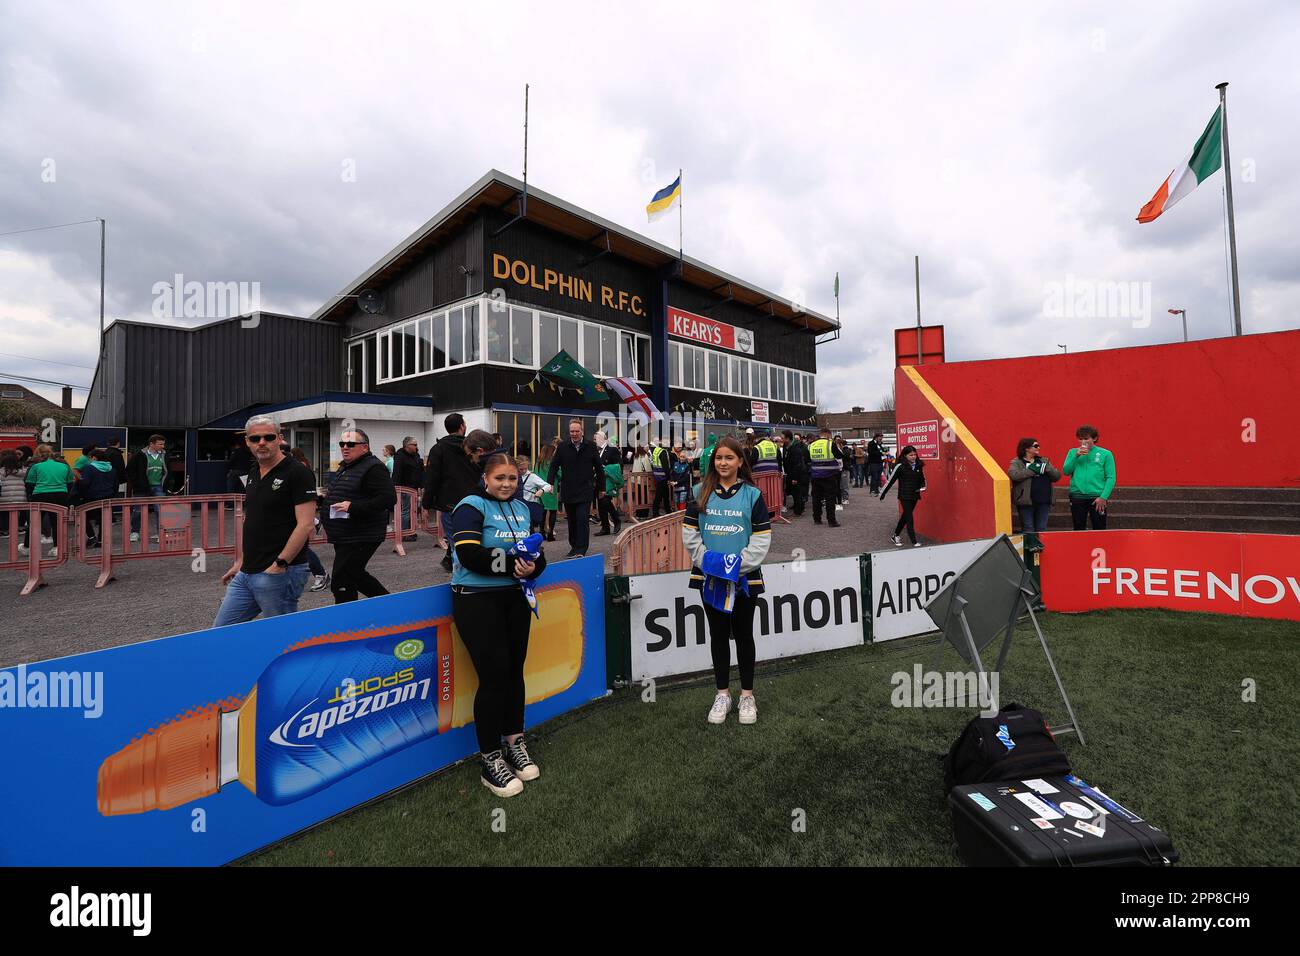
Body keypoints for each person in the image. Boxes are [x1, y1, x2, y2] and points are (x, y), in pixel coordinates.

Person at [448, 452, 548, 797]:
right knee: (492, 677)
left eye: (512, 478)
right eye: (499, 478)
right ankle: (490, 759)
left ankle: (514, 742)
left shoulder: (523, 509)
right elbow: (469, 554)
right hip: (476, 599)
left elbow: (539, 554)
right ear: (485, 478)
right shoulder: (470, 506)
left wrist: (532, 568)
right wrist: (514, 564)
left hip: (515, 598)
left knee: (513, 672)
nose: (506, 484)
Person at [682, 436, 771, 726]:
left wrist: (736, 566)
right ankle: (722, 694)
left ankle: (747, 695)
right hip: (709, 578)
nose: (723, 463)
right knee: (718, 636)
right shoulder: (698, 493)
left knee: (744, 635)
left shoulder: (753, 496)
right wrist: (709, 562)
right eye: (719, 458)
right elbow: (690, 535)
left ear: (740, 461)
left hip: (745, 578)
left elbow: (761, 539)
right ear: (713, 461)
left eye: (729, 458)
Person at [213, 416, 317, 626]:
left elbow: (305, 524)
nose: (262, 442)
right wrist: (241, 562)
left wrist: (280, 564)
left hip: (279, 571)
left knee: (280, 636)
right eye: (255, 438)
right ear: (247, 442)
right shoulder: (253, 472)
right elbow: (253, 519)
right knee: (221, 631)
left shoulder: (298, 472)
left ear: (279, 439)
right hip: (247, 571)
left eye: (268, 437)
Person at [322, 428, 396, 603]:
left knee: (342, 580)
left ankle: (347, 622)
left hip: (361, 534)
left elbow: (388, 498)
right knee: (354, 574)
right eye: (342, 444)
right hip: (345, 534)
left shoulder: (373, 467)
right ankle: (390, 606)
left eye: (350, 444)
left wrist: (353, 507)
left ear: (364, 447)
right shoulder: (347, 466)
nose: (345, 447)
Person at [423, 414, 492, 572]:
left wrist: (426, 504)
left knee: (456, 542)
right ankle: (474, 571)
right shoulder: (473, 447)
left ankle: (461, 574)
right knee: (478, 538)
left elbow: (432, 478)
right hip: (477, 500)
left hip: (449, 502)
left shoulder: (438, 449)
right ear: (462, 426)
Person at [546, 419, 604, 557]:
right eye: (572, 431)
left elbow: (599, 468)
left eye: (577, 431)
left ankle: (581, 549)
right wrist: (550, 483)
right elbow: (554, 465)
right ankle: (574, 546)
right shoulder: (562, 447)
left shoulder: (590, 446)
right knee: (572, 521)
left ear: (582, 432)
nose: (574, 434)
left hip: (585, 490)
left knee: (582, 519)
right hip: (568, 490)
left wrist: (602, 488)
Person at [22, 444, 73, 556]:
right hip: (60, 494)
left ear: (38, 454)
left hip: (40, 495)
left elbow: (29, 484)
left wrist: (31, 496)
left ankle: (27, 547)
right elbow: (70, 483)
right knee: (57, 522)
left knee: (34, 522)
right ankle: (57, 547)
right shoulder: (64, 466)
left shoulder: (36, 467)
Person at [1062, 424, 1115, 530]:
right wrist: (1076, 456)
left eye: (1086, 439)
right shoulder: (1073, 452)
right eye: (1080, 439)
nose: (1083, 442)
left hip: (1097, 497)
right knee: (1078, 528)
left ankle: (1098, 547)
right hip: (1077, 496)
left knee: (1099, 527)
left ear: (1094, 438)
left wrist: (1103, 497)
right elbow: (1066, 471)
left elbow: (1111, 477)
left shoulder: (1106, 454)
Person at [1008, 438, 1062, 533]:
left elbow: (1056, 477)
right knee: (1028, 529)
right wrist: (1032, 470)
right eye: (1036, 446)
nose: (1039, 448)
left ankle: (1040, 548)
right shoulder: (1017, 462)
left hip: (1044, 501)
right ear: (1026, 448)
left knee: (1041, 529)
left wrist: (1047, 468)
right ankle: (1029, 548)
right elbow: (1014, 475)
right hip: (1026, 501)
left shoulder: (1044, 461)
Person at [880, 444, 927, 547]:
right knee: (909, 517)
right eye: (911, 455)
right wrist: (882, 494)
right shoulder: (900, 466)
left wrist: (923, 487)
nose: (913, 457)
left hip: (914, 495)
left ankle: (895, 535)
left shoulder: (919, 465)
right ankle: (914, 541)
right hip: (904, 495)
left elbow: (923, 479)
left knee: (905, 517)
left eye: (915, 454)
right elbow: (890, 481)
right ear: (905, 456)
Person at [126, 434, 169, 543]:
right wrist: (137, 483)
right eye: (160, 444)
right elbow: (129, 470)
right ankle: (134, 532)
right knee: (138, 510)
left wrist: (168, 483)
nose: (162, 446)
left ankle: (161, 533)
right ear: (151, 444)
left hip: (158, 486)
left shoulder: (164, 455)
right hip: (141, 487)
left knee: (160, 510)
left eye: (163, 444)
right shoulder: (139, 455)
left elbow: (168, 470)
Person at [75, 448, 118, 548]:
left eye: (90, 458)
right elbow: (116, 485)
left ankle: (91, 536)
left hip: (91, 497)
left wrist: (81, 494)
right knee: (104, 519)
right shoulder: (112, 469)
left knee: (82, 516)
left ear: (94, 458)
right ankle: (102, 540)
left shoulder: (89, 468)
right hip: (108, 496)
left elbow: (84, 483)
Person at [391, 436, 425, 543]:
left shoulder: (416, 456)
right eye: (414, 445)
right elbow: (397, 474)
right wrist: (397, 489)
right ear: (407, 446)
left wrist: (420, 486)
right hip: (404, 489)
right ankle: (405, 533)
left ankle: (410, 531)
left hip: (413, 488)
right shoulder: (400, 457)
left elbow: (419, 472)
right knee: (406, 511)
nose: (416, 447)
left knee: (413, 511)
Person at [808, 427, 842, 527]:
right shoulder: (830, 444)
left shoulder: (811, 445)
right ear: (828, 435)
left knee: (816, 498)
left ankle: (817, 519)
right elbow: (840, 456)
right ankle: (831, 521)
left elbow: (807, 458)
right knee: (830, 499)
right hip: (829, 475)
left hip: (815, 476)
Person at [593, 430, 623, 537]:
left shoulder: (612, 450)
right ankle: (605, 527)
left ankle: (616, 520)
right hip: (598, 481)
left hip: (608, 481)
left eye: (595, 439)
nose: (594, 441)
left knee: (605, 501)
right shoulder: (596, 451)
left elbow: (619, 465)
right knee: (601, 504)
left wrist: (607, 471)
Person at [517, 455, 554, 535]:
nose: (523, 471)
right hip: (516, 508)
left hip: (528, 508)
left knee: (529, 530)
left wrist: (541, 491)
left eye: (525, 469)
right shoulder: (513, 476)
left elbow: (548, 486)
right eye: (521, 469)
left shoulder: (532, 476)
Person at [0, 450, 28, 546]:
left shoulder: (1, 472)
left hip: (4, 497)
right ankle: (19, 527)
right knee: (19, 512)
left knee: (4, 514)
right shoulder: (23, 472)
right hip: (19, 496)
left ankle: (5, 530)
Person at [782, 430, 811, 517]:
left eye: (783, 438)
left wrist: (795, 478)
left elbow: (797, 464)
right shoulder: (787, 447)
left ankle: (798, 510)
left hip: (797, 474)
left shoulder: (795, 449)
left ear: (788, 438)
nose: (781, 439)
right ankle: (797, 508)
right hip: (790, 473)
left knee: (797, 492)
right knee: (794, 492)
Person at [536, 440, 560, 540]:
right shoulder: (552, 463)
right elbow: (560, 474)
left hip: (541, 489)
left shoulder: (538, 463)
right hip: (551, 489)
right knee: (553, 511)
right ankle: (550, 534)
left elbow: (535, 475)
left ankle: (541, 532)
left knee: (543, 512)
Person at [649, 438, 672, 517]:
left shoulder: (656, 450)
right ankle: (655, 512)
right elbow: (665, 466)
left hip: (657, 475)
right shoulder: (663, 451)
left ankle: (668, 510)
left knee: (665, 494)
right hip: (663, 476)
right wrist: (669, 477)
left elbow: (653, 462)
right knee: (659, 495)